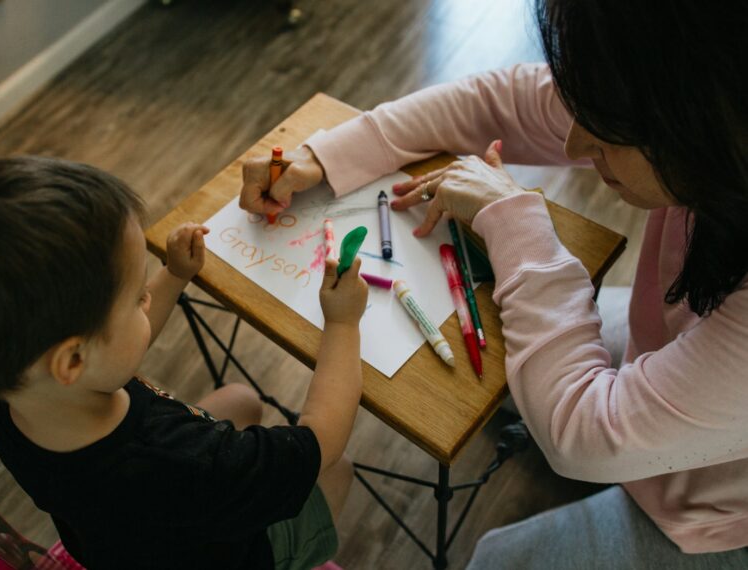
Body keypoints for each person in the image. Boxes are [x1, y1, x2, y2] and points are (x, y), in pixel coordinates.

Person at [238, 0, 748, 567]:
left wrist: (517, 220)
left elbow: (582, 435)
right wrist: (323, 155)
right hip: (682, 362)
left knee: (497, 557)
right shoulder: (698, 105)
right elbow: (498, 102)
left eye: (605, 133)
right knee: (511, 365)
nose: (576, 147)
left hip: (723, 511)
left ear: (704, 119)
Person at [0, 156, 368, 570]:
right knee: (339, 468)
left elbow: (112, 351)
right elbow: (320, 442)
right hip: (232, 555)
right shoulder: (186, 464)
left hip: (123, 545)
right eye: (138, 297)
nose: (147, 299)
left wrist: (173, 275)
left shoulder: (16, 401)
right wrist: (343, 324)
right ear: (73, 358)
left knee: (241, 399)